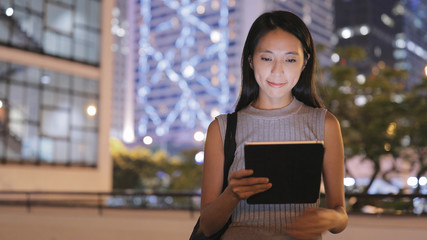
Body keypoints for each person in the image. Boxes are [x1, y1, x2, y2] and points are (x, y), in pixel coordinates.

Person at [198, 11, 348, 240]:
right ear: (250, 60)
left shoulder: (325, 124)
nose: (277, 71)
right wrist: (233, 194)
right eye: (266, 58)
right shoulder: (222, 129)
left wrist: (330, 218)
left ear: (305, 62)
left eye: (290, 59)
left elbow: (340, 215)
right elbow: (207, 226)